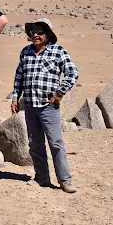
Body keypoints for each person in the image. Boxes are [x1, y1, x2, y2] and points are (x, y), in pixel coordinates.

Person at [10, 18, 79, 193]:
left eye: (40, 32)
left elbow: (72, 73)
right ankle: (42, 177)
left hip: (49, 106)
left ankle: (65, 180)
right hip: (30, 105)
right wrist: (15, 97)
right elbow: (19, 76)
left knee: (55, 143)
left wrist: (60, 92)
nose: (35, 35)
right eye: (33, 31)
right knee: (35, 143)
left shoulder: (58, 52)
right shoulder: (25, 52)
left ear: (48, 35)